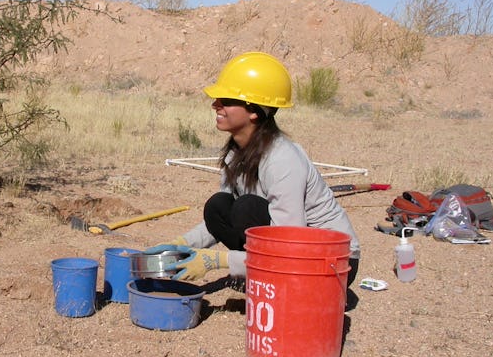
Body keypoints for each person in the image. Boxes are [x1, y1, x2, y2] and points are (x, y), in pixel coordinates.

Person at [146, 51, 360, 288]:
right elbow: (221, 223)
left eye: (226, 101)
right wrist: (183, 245)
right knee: (219, 206)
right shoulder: (235, 154)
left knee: (246, 207)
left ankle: (265, 276)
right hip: (292, 254)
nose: (215, 105)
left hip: (330, 263)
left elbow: (289, 242)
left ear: (254, 111)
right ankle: (261, 273)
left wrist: (218, 261)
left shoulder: (283, 160)